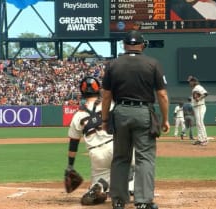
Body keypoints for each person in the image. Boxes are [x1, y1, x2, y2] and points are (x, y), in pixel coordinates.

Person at [101, 30, 170, 209]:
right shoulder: (152, 63)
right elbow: (162, 95)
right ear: (142, 45)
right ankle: (143, 201)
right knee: (144, 158)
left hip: (121, 111)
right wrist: (165, 120)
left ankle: (118, 200)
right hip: (143, 112)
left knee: (120, 157)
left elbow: (106, 96)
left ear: (124, 45)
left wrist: (104, 119)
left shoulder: (113, 64)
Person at [65, 76, 134, 205]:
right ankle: (131, 184)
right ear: (99, 89)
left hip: (96, 154)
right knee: (133, 160)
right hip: (115, 146)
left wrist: (70, 166)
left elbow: (73, 144)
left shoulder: (78, 115)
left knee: (100, 180)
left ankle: (99, 186)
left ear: (82, 92)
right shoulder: (110, 104)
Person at [188, 75, 208, 146]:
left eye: (190, 81)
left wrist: (199, 99)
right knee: (198, 123)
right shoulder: (195, 88)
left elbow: (206, 93)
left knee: (200, 123)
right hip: (197, 107)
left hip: (200, 107)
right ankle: (200, 139)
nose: (189, 83)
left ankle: (205, 139)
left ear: (194, 82)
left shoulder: (198, 87)